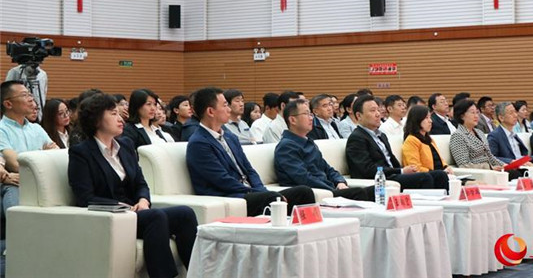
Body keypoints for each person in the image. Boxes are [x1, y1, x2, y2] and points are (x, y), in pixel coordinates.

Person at [68, 93, 197, 278]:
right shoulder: (81, 153)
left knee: (185, 214)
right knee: (155, 217)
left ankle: (198, 273)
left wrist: (143, 200)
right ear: (96, 120)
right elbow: (85, 197)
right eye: (113, 114)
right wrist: (123, 207)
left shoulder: (126, 145)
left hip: (137, 212)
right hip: (113, 216)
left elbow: (140, 183)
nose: (120, 119)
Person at [186, 87, 315, 216]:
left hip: (249, 192)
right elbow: (221, 180)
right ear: (210, 111)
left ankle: (304, 228)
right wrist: (258, 193)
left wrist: (261, 190)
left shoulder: (230, 137)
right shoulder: (199, 143)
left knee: (303, 192)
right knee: (271, 199)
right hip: (229, 195)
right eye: (225, 105)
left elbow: (249, 169)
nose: (229, 109)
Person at [275, 99, 374, 200]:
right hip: (313, 193)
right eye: (306, 114)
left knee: (374, 190)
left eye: (311, 114)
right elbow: (303, 178)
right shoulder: (286, 147)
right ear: (292, 120)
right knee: (359, 193)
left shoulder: (308, 142)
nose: (311, 118)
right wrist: (332, 189)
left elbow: (327, 168)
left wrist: (340, 181)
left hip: (328, 188)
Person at [345, 94, 447, 190]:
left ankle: (444, 203)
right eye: (372, 111)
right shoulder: (356, 138)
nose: (378, 114)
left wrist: (403, 170)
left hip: (392, 175)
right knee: (424, 177)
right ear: (359, 115)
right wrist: (401, 171)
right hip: (378, 179)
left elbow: (392, 160)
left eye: (378, 110)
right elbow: (367, 169)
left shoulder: (381, 135)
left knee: (440, 175)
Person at [0, 80, 59, 216]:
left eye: (30, 94)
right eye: (24, 95)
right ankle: (17, 227)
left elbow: (56, 154)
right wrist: (43, 154)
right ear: (8, 104)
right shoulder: (2, 129)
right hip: (16, 181)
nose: (31, 99)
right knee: (13, 188)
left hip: (41, 179)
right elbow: (16, 164)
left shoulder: (36, 128)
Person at [450, 99, 523, 179]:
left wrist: (504, 165)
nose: (476, 116)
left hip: (491, 171)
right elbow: (464, 165)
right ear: (462, 116)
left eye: (477, 112)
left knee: (518, 171)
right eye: (472, 113)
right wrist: (490, 168)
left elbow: (490, 156)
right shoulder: (458, 136)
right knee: (515, 175)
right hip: (479, 174)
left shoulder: (479, 132)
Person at [402, 105, 453, 175]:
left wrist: (446, 167)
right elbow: (415, 167)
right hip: (427, 176)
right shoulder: (411, 140)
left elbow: (439, 159)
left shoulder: (429, 139)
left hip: (440, 174)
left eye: (430, 117)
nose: (430, 121)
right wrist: (439, 173)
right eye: (426, 118)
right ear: (417, 120)